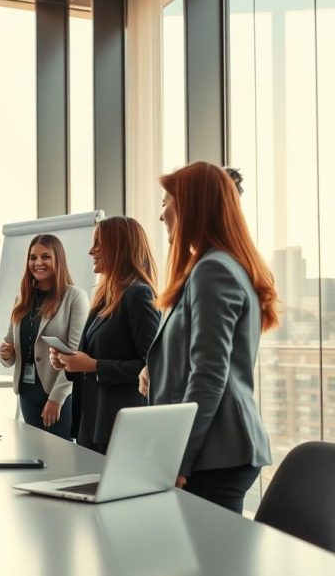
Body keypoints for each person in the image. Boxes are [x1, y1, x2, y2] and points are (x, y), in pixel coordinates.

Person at [139, 161, 277, 514]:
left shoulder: (213, 270)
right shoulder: (222, 265)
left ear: (190, 206)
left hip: (215, 452)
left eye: (165, 202)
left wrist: (179, 459)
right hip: (219, 449)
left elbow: (210, 374)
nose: (161, 215)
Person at [49, 217, 160, 454]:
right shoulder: (104, 299)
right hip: (93, 424)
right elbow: (89, 359)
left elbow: (152, 367)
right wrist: (69, 363)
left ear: (119, 247)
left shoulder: (139, 295)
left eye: (99, 243)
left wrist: (94, 366)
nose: (91, 251)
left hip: (121, 428)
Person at [0, 234, 89, 439]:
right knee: (34, 454)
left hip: (58, 394)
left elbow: (75, 354)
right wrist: (6, 353)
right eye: (33, 257)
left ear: (58, 259)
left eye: (45, 256)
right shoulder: (22, 298)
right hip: (27, 392)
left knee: (60, 458)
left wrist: (57, 399)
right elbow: (10, 347)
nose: (38, 262)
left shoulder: (74, 297)